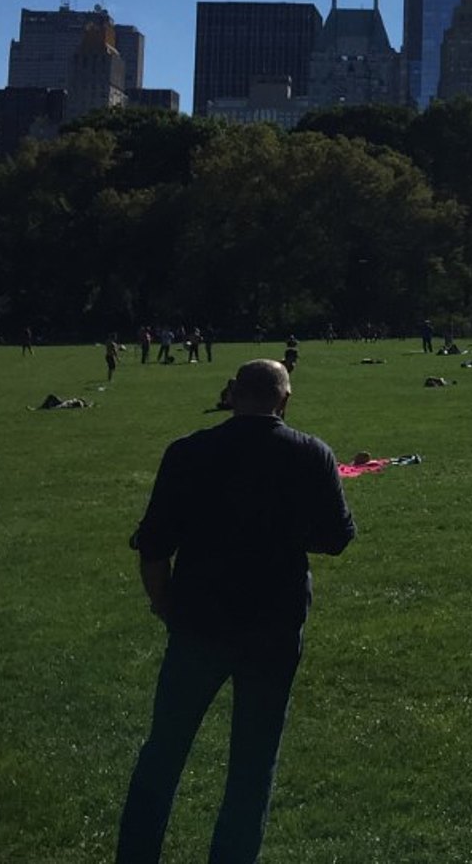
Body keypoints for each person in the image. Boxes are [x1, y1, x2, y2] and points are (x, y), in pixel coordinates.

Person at [115, 358, 356, 864]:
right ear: (284, 401)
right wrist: (288, 534)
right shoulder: (311, 454)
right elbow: (337, 537)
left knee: (163, 753)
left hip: (199, 621)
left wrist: (163, 605)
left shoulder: (188, 452)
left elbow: (154, 545)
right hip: (273, 624)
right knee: (252, 766)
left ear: (231, 393)